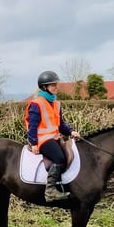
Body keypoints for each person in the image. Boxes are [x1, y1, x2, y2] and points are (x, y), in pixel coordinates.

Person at [25, 70, 81, 202]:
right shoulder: (37, 103)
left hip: (55, 138)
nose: (56, 87)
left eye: (56, 84)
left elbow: (60, 125)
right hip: (42, 140)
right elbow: (32, 125)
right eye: (52, 85)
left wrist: (71, 132)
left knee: (70, 154)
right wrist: (33, 143)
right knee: (59, 158)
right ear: (44, 87)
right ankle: (50, 191)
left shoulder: (56, 104)